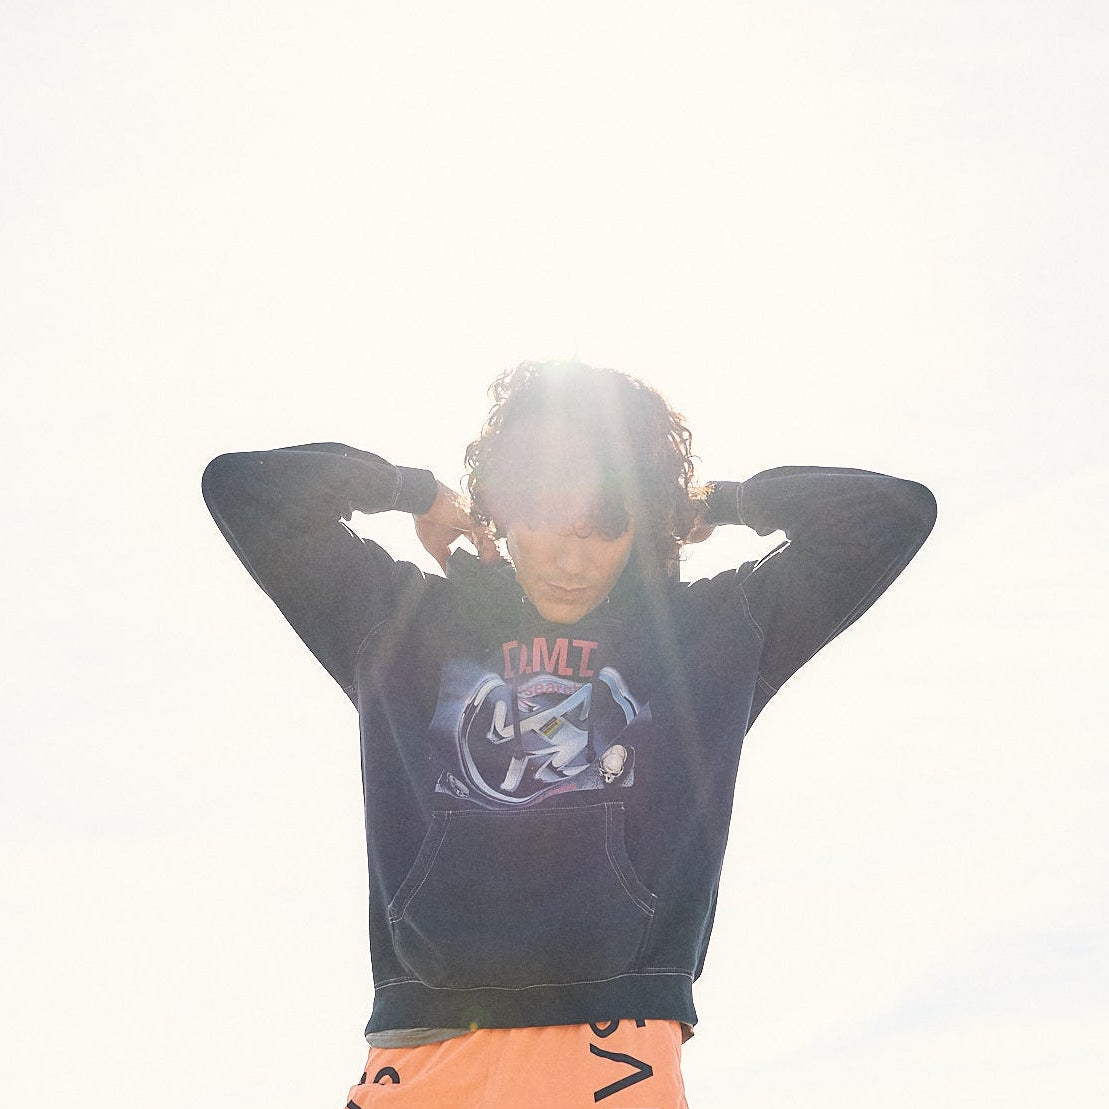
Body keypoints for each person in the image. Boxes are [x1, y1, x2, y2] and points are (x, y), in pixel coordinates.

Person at [202, 360, 936, 1107]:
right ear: (500, 506)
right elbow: (243, 490)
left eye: (606, 527)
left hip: (610, 1038)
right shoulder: (401, 624)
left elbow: (893, 516)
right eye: (547, 518)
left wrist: (716, 500)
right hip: (423, 1038)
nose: (572, 557)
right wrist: (411, 490)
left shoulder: (705, 638)